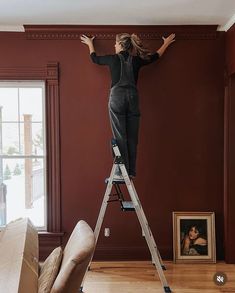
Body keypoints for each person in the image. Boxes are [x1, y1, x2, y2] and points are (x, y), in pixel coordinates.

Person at [80, 32, 175, 180]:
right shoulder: (136, 60)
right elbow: (155, 56)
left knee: (120, 135)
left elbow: (95, 59)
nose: (114, 45)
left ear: (121, 45)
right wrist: (166, 43)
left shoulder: (112, 59)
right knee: (132, 137)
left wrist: (90, 44)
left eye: (116, 43)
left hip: (117, 98)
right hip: (133, 98)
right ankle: (130, 171)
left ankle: (120, 171)